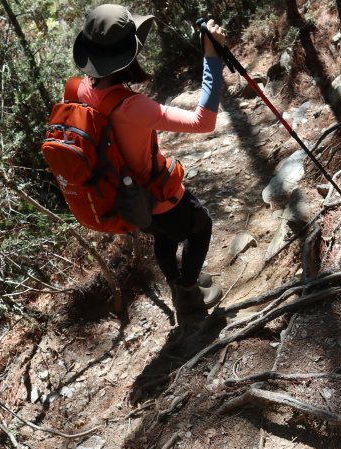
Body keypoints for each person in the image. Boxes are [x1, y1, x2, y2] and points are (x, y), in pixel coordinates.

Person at [72, 3, 226, 317]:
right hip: (160, 197)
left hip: (129, 202)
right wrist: (213, 56)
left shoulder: (81, 91)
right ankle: (187, 292)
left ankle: (177, 282)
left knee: (164, 237)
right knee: (201, 226)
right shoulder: (131, 106)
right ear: (128, 53)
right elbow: (204, 121)